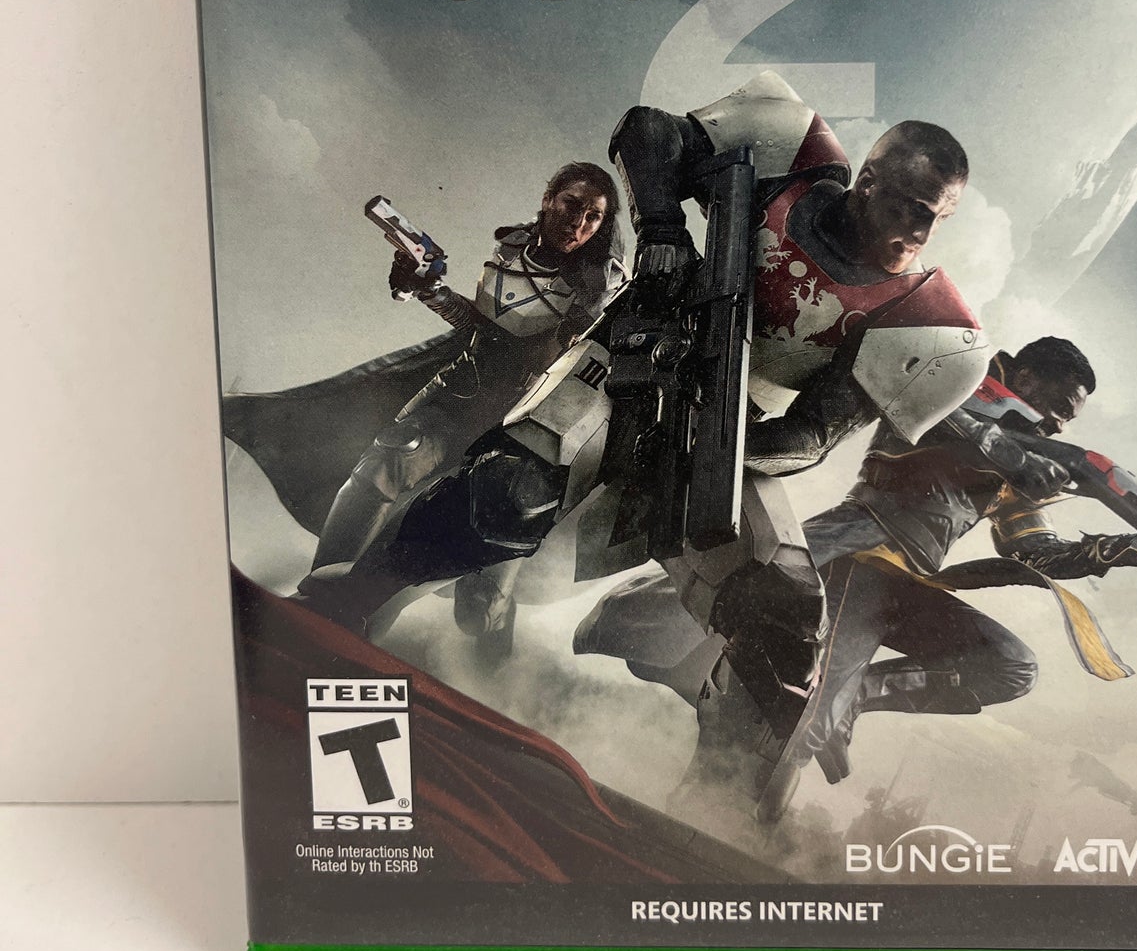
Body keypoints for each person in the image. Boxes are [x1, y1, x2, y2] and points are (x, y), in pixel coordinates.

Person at [299, 72, 994, 804]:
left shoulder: (919, 314)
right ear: (868, 180)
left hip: (728, 432)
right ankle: (352, 601)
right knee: (506, 493)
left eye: (936, 218)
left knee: (783, 613)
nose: (919, 232)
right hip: (631, 354)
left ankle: (718, 805)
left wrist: (721, 450)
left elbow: (813, 433)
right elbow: (649, 130)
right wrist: (663, 230)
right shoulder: (793, 153)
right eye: (909, 207)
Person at [576, 336, 1137, 808]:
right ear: (1023, 378)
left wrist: (1127, 550)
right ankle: (709, 813)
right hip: (854, 556)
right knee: (792, 715)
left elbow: (1036, 552)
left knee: (1010, 665)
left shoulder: (1024, 460)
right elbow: (935, 412)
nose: (1057, 427)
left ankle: (852, 700)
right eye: (1056, 408)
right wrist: (1014, 452)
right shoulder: (956, 381)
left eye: (1065, 422)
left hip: (907, 585)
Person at [228, 163, 625, 653]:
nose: (579, 223)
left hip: (523, 427)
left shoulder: (599, 284)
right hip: (461, 393)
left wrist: (435, 295)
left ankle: (488, 622)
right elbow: (479, 328)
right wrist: (425, 289)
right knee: (387, 461)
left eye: (593, 216)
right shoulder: (512, 248)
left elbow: (533, 358)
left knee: (476, 606)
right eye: (571, 205)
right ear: (548, 200)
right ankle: (321, 601)